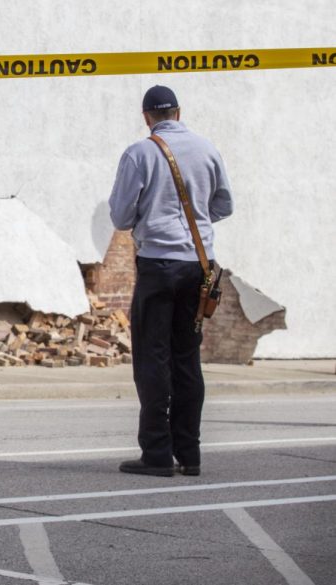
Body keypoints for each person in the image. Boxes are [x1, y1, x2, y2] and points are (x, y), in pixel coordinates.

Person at [108, 85, 233, 478]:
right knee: (186, 358)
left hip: (158, 265)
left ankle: (157, 454)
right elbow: (223, 207)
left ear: (147, 117)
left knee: (153, 358)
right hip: (198, 266)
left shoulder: (140, 153)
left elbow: (121, 217)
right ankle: (190, 454)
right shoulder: (207, 148)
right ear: (178, 112)